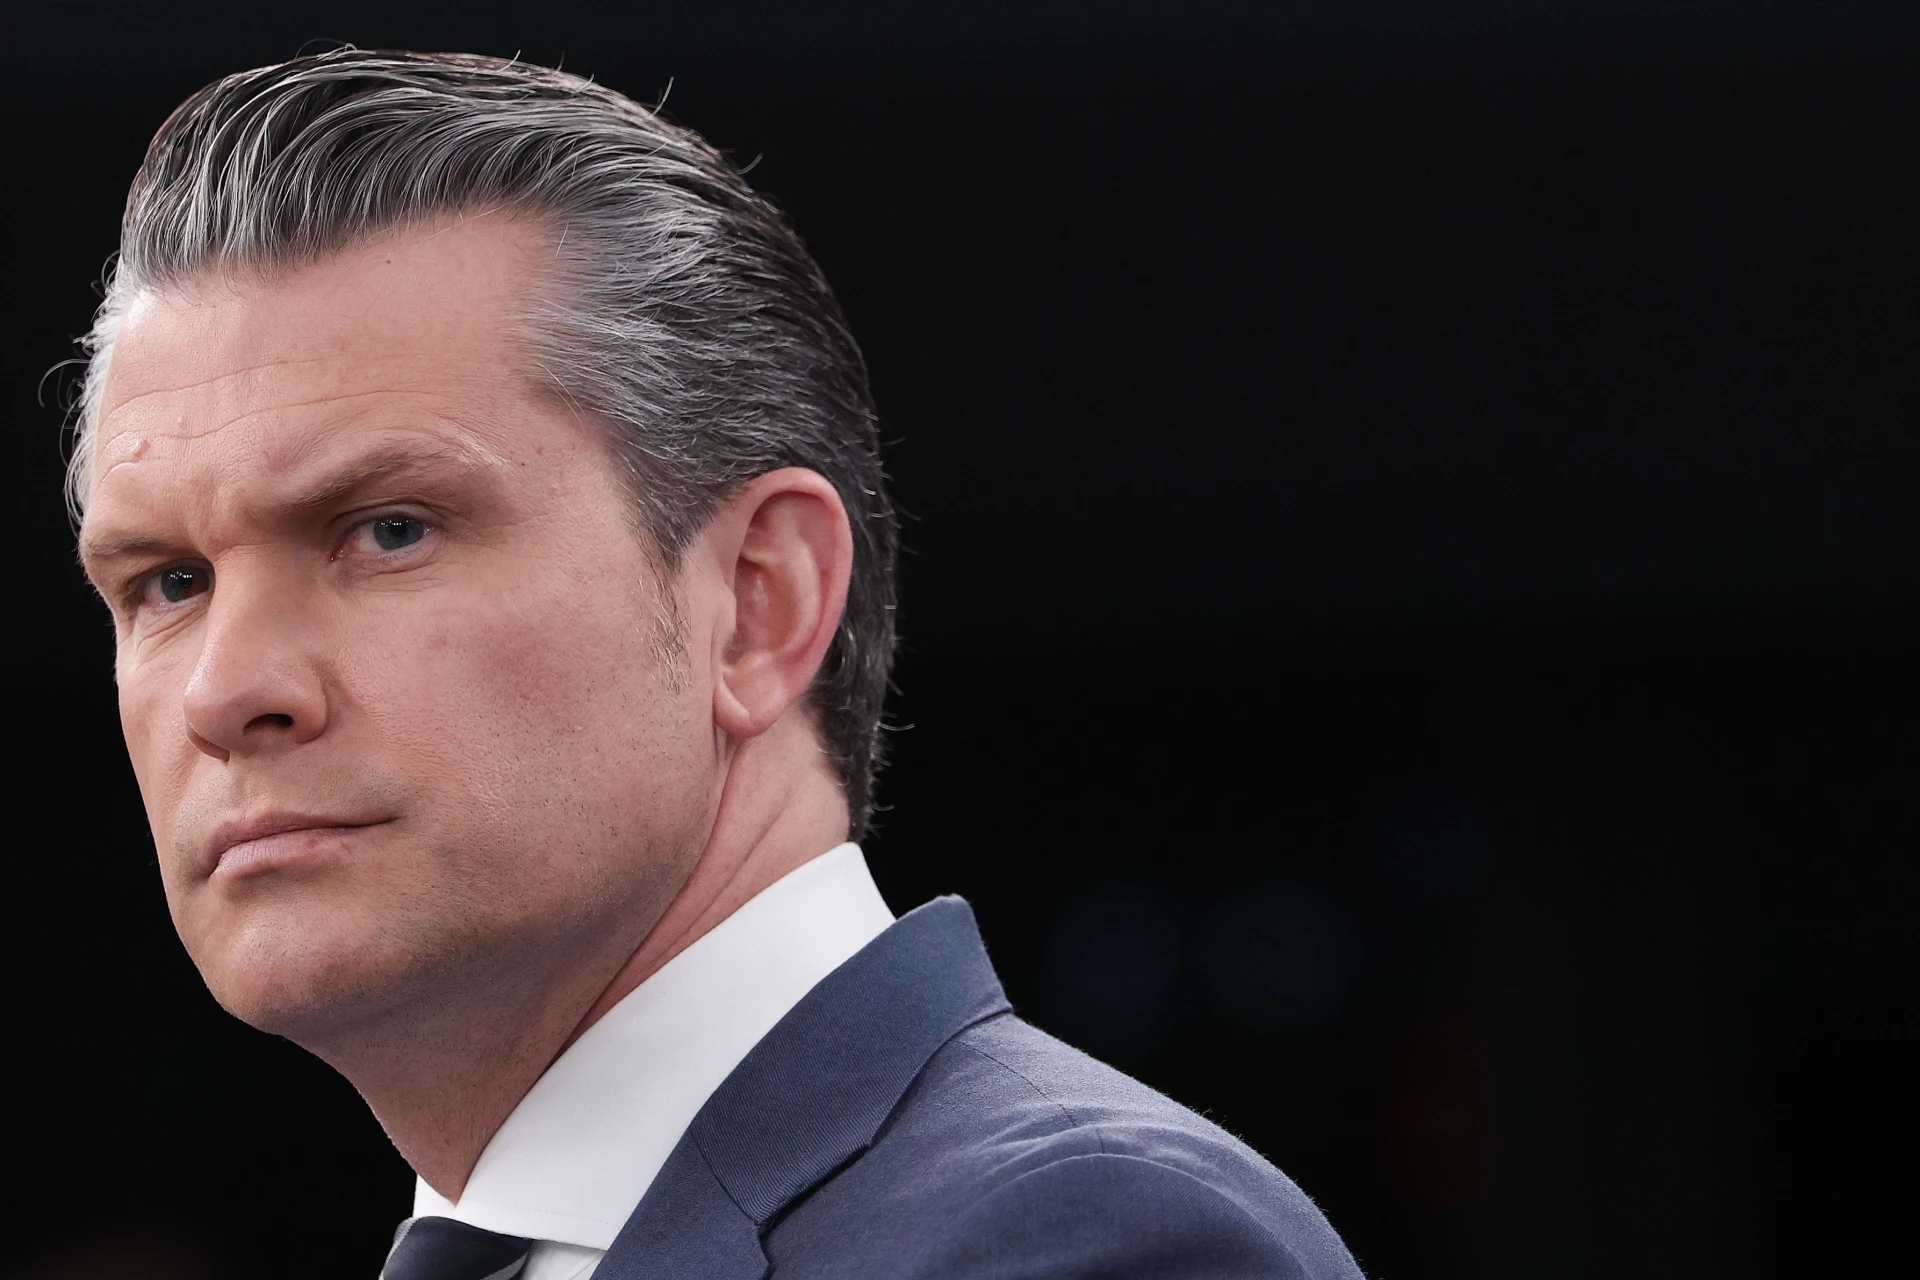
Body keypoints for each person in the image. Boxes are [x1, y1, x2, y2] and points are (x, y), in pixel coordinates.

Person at [71, 48, 1365, 1280]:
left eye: (390, 530)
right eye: (170, 583)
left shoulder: (1080, 1244)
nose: (224, 691)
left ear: (757, 604)